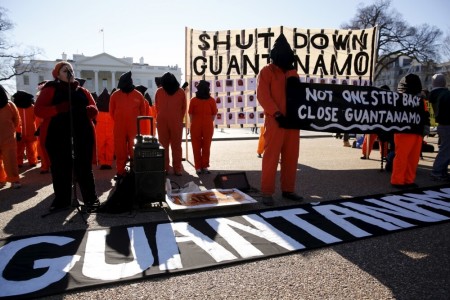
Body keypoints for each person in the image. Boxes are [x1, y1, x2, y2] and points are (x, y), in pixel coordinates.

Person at [34, 61, 99, 211]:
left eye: (71, 70)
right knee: (60, 169)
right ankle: (62, 201)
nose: (70, 72)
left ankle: (90, 199)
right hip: (58, 136)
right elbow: (39, 110)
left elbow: (94, 108)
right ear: (57, 74)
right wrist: (58, 108)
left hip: (82, 134)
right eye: (65, 70)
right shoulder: (50, 89)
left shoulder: (82, 91)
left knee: (84, 168)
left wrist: (90, 110)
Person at [256, 33, 303, 206]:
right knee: (271, 158)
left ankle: (288, 190)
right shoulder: (266, 71)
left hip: (292, 122)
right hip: (275, 121)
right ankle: (267, 192)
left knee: (291, 158)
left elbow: (300, 96)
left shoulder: (293, 73)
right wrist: (276, 114)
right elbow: (263, 96)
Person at [390, 73, 429, 189]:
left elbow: (425, 115)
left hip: (413, 131)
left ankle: (408, 179)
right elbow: (425, 116)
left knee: (412, 157)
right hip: (406, 131)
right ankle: (398, 180)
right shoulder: (414, 100)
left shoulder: (418, 101)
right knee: (404, 156)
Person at [109, 71, 146, 178]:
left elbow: (143, 112)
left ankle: (135, 171)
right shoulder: (115, 95)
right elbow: (111, 112)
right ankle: (120, 171)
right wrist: (119, 120)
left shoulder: (138, 95)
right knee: (120, 150)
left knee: (134, 149)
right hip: (119, 127)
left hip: (134, 128)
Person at [155, 72, 187, 176]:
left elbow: (156, 107)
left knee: (163, 146)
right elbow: (184, 108)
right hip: (176, 121)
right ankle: (177, 169)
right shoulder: (181, 92)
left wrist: (162, 116)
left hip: (162, 121)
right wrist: (178, 118)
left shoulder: (159, 91)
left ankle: (165, 169)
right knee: (176, 146)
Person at [188, 80, 218, 174]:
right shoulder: (211, 100)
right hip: (208, 125)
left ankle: (198, 167)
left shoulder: (193, 100)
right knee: (206, 146)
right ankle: (204, 166)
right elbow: (214, 114)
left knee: (196, 146)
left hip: (196, 125)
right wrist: (208, 121)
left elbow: (191, 115)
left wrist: (194, 123)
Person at [428, 73, 450, 181]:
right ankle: (437, 172)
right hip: (448, 124)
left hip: (442, 125)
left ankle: (441, 171)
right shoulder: (446, 94)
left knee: (444, 149)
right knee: (446, 150)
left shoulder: (433, 95)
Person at [0, 84, 22, 189]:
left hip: (8, 137)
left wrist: (13, 130)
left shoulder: (9, 105)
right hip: (8, 135)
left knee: (11, 159)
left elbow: (17, 120)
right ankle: (1, 179)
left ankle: (14, 179)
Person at [12, 90, 39, 168]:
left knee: (32, 148)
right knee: (19, 149)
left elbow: (36, 118)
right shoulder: (15, 108)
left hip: (31, 131)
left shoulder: (32, 107)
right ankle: (18, 162)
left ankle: (33, 161)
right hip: (18, 132)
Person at [95, 88, 114, 170]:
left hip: (100, 125)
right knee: (110, 145)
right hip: (111, 125)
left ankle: (103, 162)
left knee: (100, 145)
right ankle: (108, 163)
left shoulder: (98, 111)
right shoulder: (111, 109)